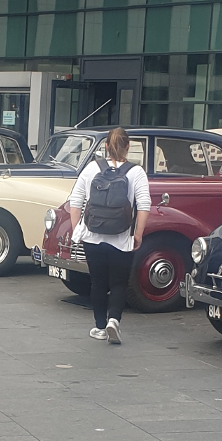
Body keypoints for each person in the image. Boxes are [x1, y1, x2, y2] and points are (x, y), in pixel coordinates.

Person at [67, 127, 149, 345]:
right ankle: (114, 320)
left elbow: (75, 202)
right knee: (119, 283)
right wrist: (138, 234)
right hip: (122, 237)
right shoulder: (136, 172)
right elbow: (143, 206)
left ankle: (100, 327)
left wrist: (79, 230)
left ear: (105, 146)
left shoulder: (91, 168)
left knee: (97, 282)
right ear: (128, 146)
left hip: (93, 236)